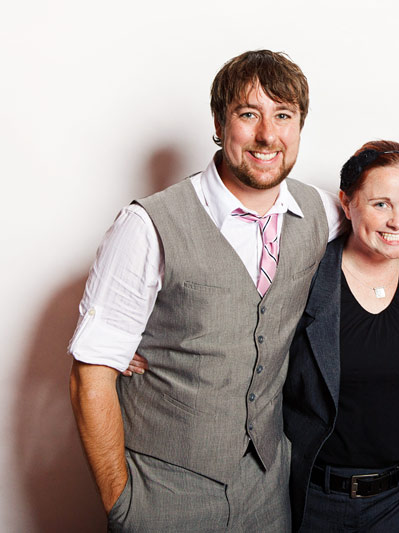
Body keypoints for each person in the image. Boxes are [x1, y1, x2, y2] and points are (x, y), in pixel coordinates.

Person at [68, 50, 343, 531]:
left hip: (267, 490)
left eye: (283, 115)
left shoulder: (321, 212)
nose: (268, 135)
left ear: (300, 125)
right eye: (248, 114)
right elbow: (90, 373)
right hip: (162, 491)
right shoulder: (147, 225)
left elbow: (394, 222)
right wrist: (123, 505)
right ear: (218, 123)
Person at [283, 141, 399, 532]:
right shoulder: (303, 275)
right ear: (346, 202)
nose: (398, 221)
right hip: (313, 498)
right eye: (381, 204)